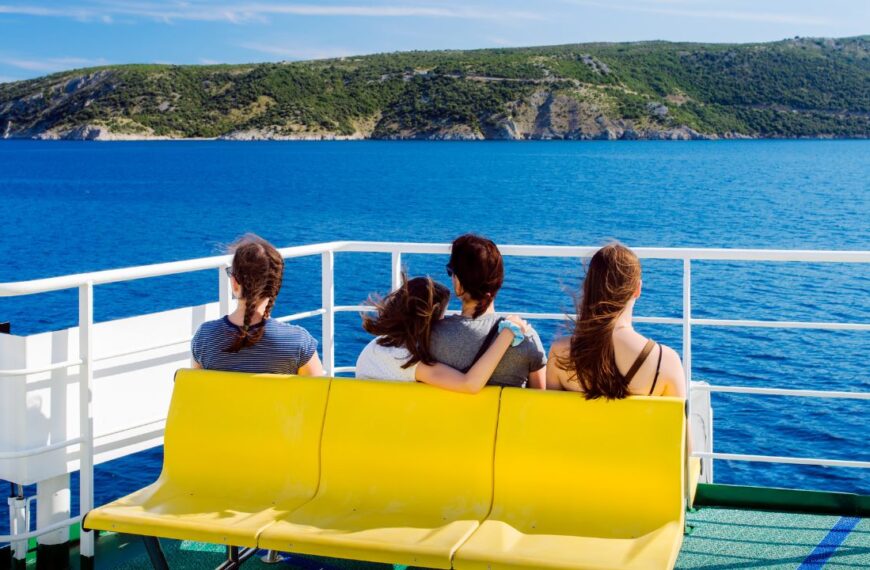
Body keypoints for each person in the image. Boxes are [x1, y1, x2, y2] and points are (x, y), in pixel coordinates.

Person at [547, 243, 685, 399]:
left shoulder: (560, 353)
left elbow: (551, 418)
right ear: (637, 289)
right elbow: (679, 423)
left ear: (589, 287)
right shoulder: (665, 361)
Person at [356, 275, 533, 394]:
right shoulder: (406, 361)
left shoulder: (377, 346)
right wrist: (509, 331)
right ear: (428, 320)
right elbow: (469, 384)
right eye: (442, 316)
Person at [191, 234, 324, 376]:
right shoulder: (298, 343)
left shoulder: (205, 338)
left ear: (235, 283)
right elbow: (319, 394)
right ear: (276, 285)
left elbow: (195, 391)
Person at [429, 234, 547, 389]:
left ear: (458, 283)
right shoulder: (526, 339)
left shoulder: (432, 336)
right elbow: (538, 400)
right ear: (498, 282)